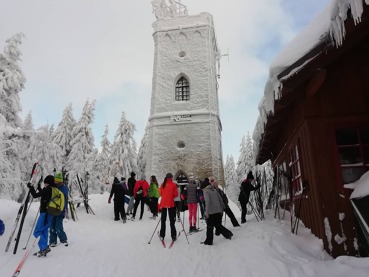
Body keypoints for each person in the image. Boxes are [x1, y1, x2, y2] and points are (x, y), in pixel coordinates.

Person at [27, 175, 55, 257]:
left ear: (48, 183)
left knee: (37, 231)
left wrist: (31, 187)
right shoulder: (53, 189)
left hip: (44, 214)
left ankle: (44, 248)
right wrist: (39, 188)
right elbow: (44, 195)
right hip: (50, 214)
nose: (45, 184)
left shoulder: (47, 189)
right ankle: (43, 249)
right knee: (44, 231)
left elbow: (35, 195)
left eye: (45, 182)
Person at [201, 179, 233, 245]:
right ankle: (228, 234)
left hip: (211, 212)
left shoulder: (205, 191)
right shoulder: (214, 190)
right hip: (218, 211)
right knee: (218, 225)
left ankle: (208, 242)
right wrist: (221, 210)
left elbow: (207, 201)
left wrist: (206, 213)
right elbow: (221, 200)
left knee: (209, 227)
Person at [49, 172, 69, 247]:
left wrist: (64, 211)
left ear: (61, 181)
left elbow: (65, 201)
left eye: (57, 182)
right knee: (52, 227)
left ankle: (63, 240)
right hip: (53, 211)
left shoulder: (64, 189)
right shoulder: (54, 188)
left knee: (58, 227)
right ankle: (52, 241)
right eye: (55, 181)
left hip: (60, 211)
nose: (56, 183)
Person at [159, 173, 178, 242]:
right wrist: (171, 196)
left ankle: (162, 235)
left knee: (163, 221)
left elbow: (160, 194)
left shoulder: (162, 184)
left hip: (163, 204)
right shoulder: (173, 184)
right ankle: (173, 236)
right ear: (171, 178)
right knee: (172, 221)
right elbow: (176, 194)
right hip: (171, 204)